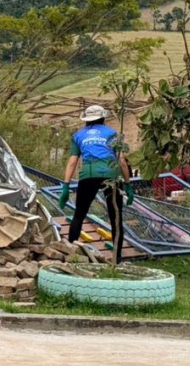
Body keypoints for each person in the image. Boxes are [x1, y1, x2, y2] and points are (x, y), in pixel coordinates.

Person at [57, 105, 135, 264]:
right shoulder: (112, 133)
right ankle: (117, 259)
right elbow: (121, 160)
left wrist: (65, 186)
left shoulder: (78, 135)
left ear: (85, 119)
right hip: (110, 174)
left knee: (79, 214)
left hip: (88, 174)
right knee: (116, 217)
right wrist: (128, 184)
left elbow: (72, 162)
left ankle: (70, 254)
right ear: (103, 118)